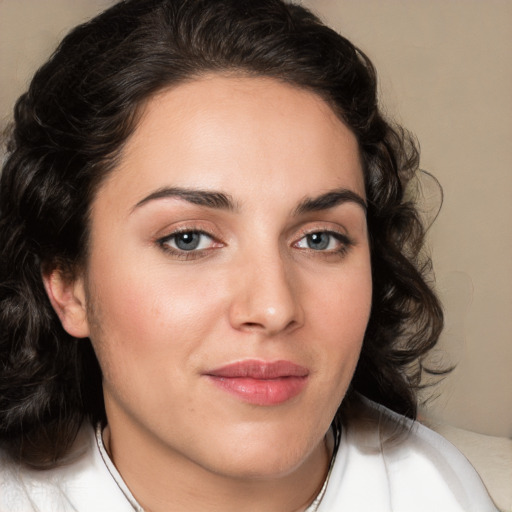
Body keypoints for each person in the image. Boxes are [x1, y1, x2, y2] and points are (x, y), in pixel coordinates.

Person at [0, 0, 498, 510]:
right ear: (67, 285)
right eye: (188, 239)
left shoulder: (438, 493)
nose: (273, 308)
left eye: (320, 238)